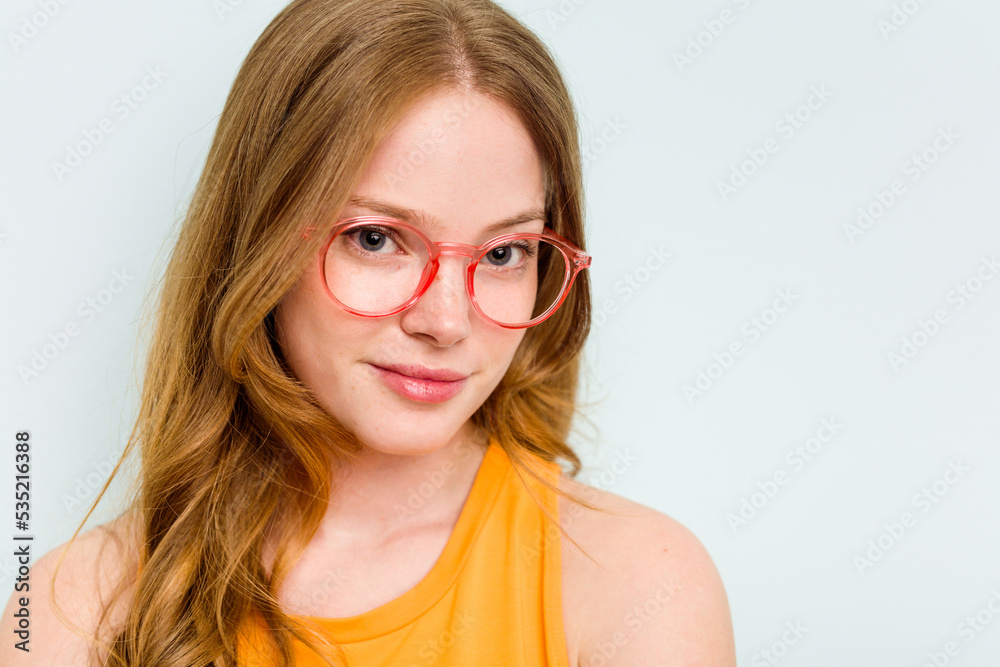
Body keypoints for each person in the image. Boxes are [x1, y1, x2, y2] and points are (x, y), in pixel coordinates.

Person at [1, 0, 736, 664]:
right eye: (378, 239)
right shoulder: (72, 611)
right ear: (259, 242)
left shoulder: (639, 586)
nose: (447, 321)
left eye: (505, 253)